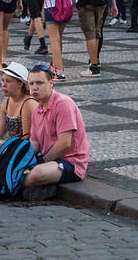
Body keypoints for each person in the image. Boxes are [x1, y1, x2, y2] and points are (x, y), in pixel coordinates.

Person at [22, 61, 90, 191]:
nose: (34, 87)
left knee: (36, 174)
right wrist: (19, 157)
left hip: (71, 162)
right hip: (51, 160)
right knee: (18, 166)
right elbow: (34, 144)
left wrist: (41, 161)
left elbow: (64, 144)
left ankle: (9, 185)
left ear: (51, 84)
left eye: (39, 83)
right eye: (31, 84)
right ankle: (18, 184)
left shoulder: (63, 104)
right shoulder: (37, 110)